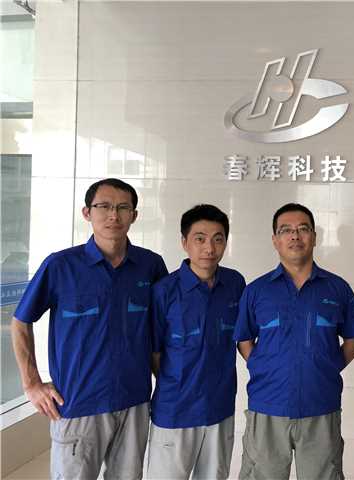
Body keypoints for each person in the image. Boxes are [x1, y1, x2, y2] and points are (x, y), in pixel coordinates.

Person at [11, 178, 168, 479]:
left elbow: (158, 331)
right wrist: (31, 384)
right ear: (87, 213)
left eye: (123, 208)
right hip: (78, 403)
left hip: (134, 401)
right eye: (104, 206)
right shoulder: (60, 266)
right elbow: (21, 321)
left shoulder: (150, 266)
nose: (113, 215)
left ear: (134, 215)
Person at [233, 203, 354, 480]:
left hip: (321, 406)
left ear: (314, 237)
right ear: (275, 240)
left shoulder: (337, 288)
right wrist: (265, 366)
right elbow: (244, 339)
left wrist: (327, 365)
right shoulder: (257, 291)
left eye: (303, 229)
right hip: (268, 406)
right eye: (286, 230)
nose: (295, 236)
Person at [146, 204, 245, 480]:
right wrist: (180, 383)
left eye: (218, 239)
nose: (209, 248)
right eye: (199, 239)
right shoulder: (164, 291)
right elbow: (154, 352)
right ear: (184, 242)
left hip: (220, 408)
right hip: (175, 410)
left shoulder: (235, 284)